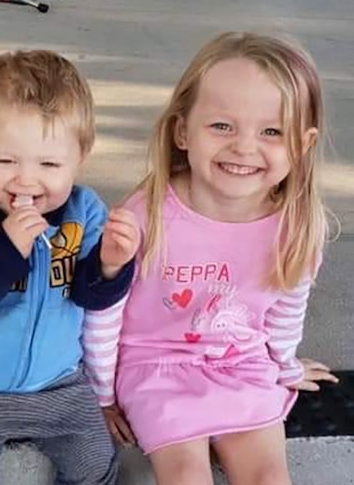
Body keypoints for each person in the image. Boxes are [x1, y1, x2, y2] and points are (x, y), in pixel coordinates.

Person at [83, 32, 340, 485]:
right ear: (182, 131)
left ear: (303, 143)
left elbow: (285, 309)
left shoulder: (296, 226)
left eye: (272, 131)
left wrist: (286, 364)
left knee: (268, 476)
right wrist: (102, 395)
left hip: (241, 360)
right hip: (154, 365)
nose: (244, 146)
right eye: (222, 125)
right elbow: (105, 311)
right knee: (185, 476)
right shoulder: (147, 213)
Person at [0, 49, 139, 485]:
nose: (25, 180)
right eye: (5, 162)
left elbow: (88, 295)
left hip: (57, 385)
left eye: (50, 165)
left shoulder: (84, 211)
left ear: (81, 156)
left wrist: (112, 266)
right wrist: (6, 247)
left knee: (97, 465)